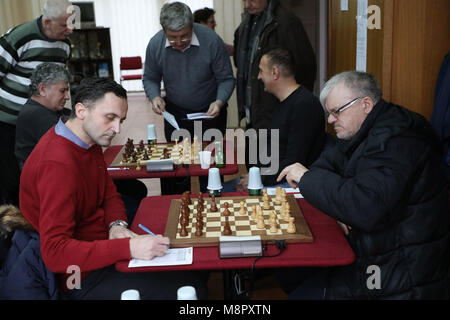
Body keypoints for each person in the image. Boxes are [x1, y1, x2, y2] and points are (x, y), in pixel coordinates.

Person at [19, 78, 208, 299]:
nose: (116, 129)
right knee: (192, 288)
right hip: (77, 277)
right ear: (81, 111)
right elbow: (55, 253)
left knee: (196, 270)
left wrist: (116, 225)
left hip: (102, 250)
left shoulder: (86, 140)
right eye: (110, 118)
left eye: (121, 120)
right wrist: (128, 249)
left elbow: (109, 194)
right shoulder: (57, 165)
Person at [277, 71, 450, 299]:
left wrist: (310, 181)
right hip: (373, 255)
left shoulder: (398, 140)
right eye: (329, 114)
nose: (330, 120)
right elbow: (324, 168)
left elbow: (364, 207)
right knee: (289, 274)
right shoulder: (362, 132)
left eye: (336, 112)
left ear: (366, 104)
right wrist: (340, 207)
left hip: (396, 275)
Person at [143, 2, 235, 194]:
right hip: (176, 114)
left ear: (192, 26)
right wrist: (154, 97)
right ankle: (176, 208)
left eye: (184, 35)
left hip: (210, 112)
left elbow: (226, 79)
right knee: (177, 169)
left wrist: (219, 101)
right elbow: (150, 78)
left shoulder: (211, 40)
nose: (179, 41)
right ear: (164, 30)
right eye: (173, 37)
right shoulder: (155, 44)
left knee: (210, 168)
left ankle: (213, 207)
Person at [0, 0, 73, 206]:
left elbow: (57, 80)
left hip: (38, 121)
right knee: (10, 180)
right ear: (47, 21)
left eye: (71, 24)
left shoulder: (64, 44)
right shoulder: (20, 36)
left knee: (36, 176)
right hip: (7, 121)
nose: (69, 30)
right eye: (64, 25)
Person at [231, 47, 325, 191]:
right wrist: (255, 173)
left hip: (289, 183)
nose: (258, 77)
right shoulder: (283, 102)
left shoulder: (304, 105)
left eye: (261, 71)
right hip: (272, 176)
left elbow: (294, 162)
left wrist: (258, 177)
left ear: (275, 73)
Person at [234, 0, 316, 132]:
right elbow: (241, 64)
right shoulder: (246, 24)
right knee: (255, 151)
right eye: (244, 0)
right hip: (253, 114)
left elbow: (305, 67)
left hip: (276, 113)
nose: (247, 5)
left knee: (274, 152)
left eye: (252, 0)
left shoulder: (287, 23)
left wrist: (295, 108)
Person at [15, 63, 71, 170]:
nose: (67, 97)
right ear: (42, 89)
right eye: (62, 91)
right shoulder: (36, 114)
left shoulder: (48, 111)